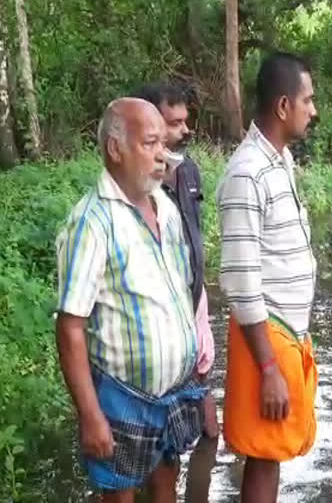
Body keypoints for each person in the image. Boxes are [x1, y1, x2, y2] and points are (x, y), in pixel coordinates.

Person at [55, 97, 205, 503]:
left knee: (165, 483)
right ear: (116, 150)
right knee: (120, 495)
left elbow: (179, 293)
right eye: (150, 144)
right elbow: (70, 327)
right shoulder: (92, 223)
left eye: (163, 144)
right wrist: (90, 416)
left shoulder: (166, 208)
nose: (163, 155)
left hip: (174, 393)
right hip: (122, 398)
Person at [216, 51, 319, 503]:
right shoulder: (246, 173)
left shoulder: (280, 161)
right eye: (307, 101)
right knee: (261, 454)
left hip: (287, 336)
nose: (313, 111)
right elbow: (241, 280)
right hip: (267, 341)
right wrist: (269, 368)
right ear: (282, 107)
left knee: (271, 452)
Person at [130, 82, 218, 439]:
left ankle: (206, 463)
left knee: (204, 392)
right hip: (158, 323)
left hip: (194, 302)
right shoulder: (132, 188)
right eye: (174, 123)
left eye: (186, 121)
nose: (185, 130)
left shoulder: (189, 171)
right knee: (158, 428)